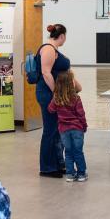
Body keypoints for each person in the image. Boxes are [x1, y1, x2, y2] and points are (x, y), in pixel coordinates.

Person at [35, 24, 72, 177]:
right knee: (50, 131)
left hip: (53, 94)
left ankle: (57, 164)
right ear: (62, 36)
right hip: (48, 93)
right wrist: (56, 93)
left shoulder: (53, 49)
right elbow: (46, 72)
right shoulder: (49, 49)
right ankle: (47, 167)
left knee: (56, 131)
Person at [48, 70, 88, 182]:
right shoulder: (76, 98)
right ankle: (81, 174)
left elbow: (50, 110)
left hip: (63, 130)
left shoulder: (57, 99)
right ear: (71, 84)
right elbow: (81, 114)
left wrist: (54, 98)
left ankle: (70, 174)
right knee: (78, 151)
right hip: (77, 129)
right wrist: (84, 126)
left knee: (68, 152)